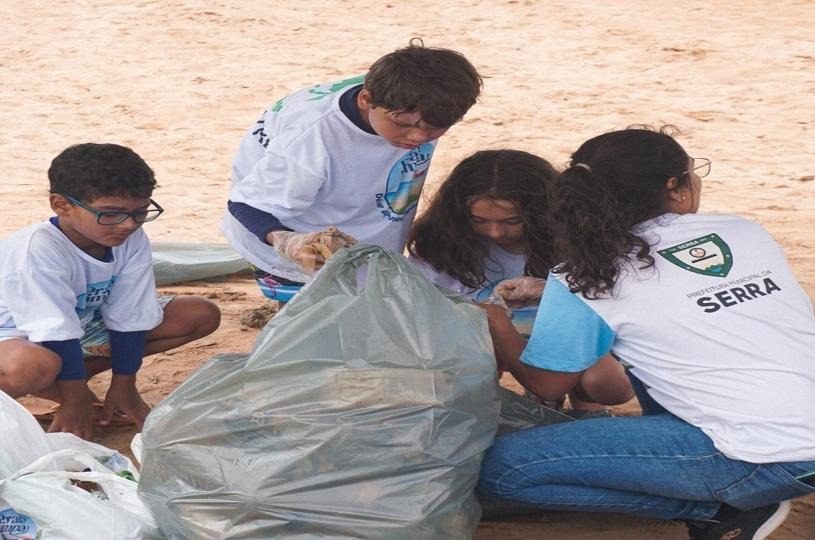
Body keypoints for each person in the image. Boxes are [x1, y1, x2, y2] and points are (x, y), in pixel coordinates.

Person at [477, 127, 815, 539]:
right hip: (796, 432)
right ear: (674, 188)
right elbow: (670, 299)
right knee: (654, 349)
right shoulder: (743, 231)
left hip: (765, 457)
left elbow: (547, 385)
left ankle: (714, 509)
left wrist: (495, 322)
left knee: (501, 472)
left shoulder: (585, 275)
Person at [222, 38, 483, 301]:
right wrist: (286, 241)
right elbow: (247, 204)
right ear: (365, 99)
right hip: (298, 247)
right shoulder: (311, 138)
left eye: (435, 128)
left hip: (368, 223)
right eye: (403, 124)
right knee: (308, 322)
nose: (417, 137)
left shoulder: (417, 99)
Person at [0, 143, 221, 440]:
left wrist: (124, 383)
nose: (128, 224)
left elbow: (131, 315)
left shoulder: (128, 238)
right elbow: (53, 330)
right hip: (13, 336)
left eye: (140, 212)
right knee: (34, 365)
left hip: (76, 326)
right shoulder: (37, 250)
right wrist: (74, 399)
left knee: (197, 313)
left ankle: (60, 381)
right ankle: (54, 383)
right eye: (111, 213)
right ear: (61, 205)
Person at [407, 149, 633, 418]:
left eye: (512, 221)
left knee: (605, 382)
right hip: (480, 345)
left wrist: (552, 292)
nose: (495, 232)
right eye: (479, 221)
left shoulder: (578, 238)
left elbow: (616, 300)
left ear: (544, 212)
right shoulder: (438, 246)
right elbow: (424, 312)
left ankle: (585, 408)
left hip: (560, 341)